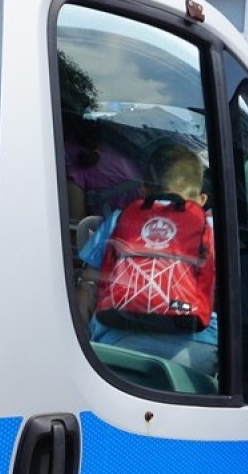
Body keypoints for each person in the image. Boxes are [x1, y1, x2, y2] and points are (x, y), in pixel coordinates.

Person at [77, 141, 219, 380]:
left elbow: (88, 284)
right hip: (196, 346)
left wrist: (84, 337)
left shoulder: (119, 219)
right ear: (202, 199)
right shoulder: (211, 228)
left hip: (118, 343)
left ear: (142, 190)